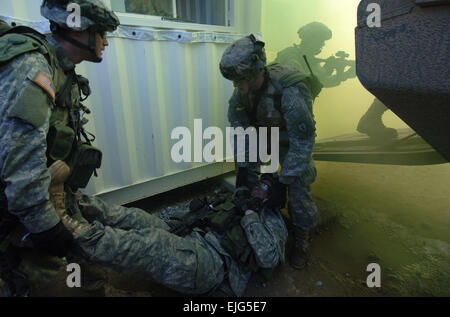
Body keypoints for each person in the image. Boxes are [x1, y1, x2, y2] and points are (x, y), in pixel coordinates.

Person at [0, 0, 286, 297]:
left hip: (211, 260)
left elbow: (266, 255)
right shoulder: (34, 67)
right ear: (79, 31)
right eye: (101, 34)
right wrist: (44, 223)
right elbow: (19, 159)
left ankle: (78, 237)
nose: (106, 42)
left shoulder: (59, 69)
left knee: (146, 242)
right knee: (137, 231)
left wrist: (251, 212)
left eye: (265, 189)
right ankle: (76, 237)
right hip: (22, 208)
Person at [219, 34, 319, 270]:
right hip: (264, 138)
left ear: (257, 71)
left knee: (298, 185)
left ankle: (302, 239)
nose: (236, 86)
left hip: (292, 143)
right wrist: (244, 173)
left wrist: (281, 180)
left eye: (240, 79)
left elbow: (303, 140)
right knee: (252, 182)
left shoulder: (290, 89)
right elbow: (240, 131)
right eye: (233, 80)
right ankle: (261, 217)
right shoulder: (241, 92)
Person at [275, 22, 397, 140]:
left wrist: (343, 73)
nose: (322, 45)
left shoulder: (310, 59)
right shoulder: (291, 55)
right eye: (320, 41)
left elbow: (324, 81)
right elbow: (298, 81)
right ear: (310, 38)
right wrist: (329, 70)